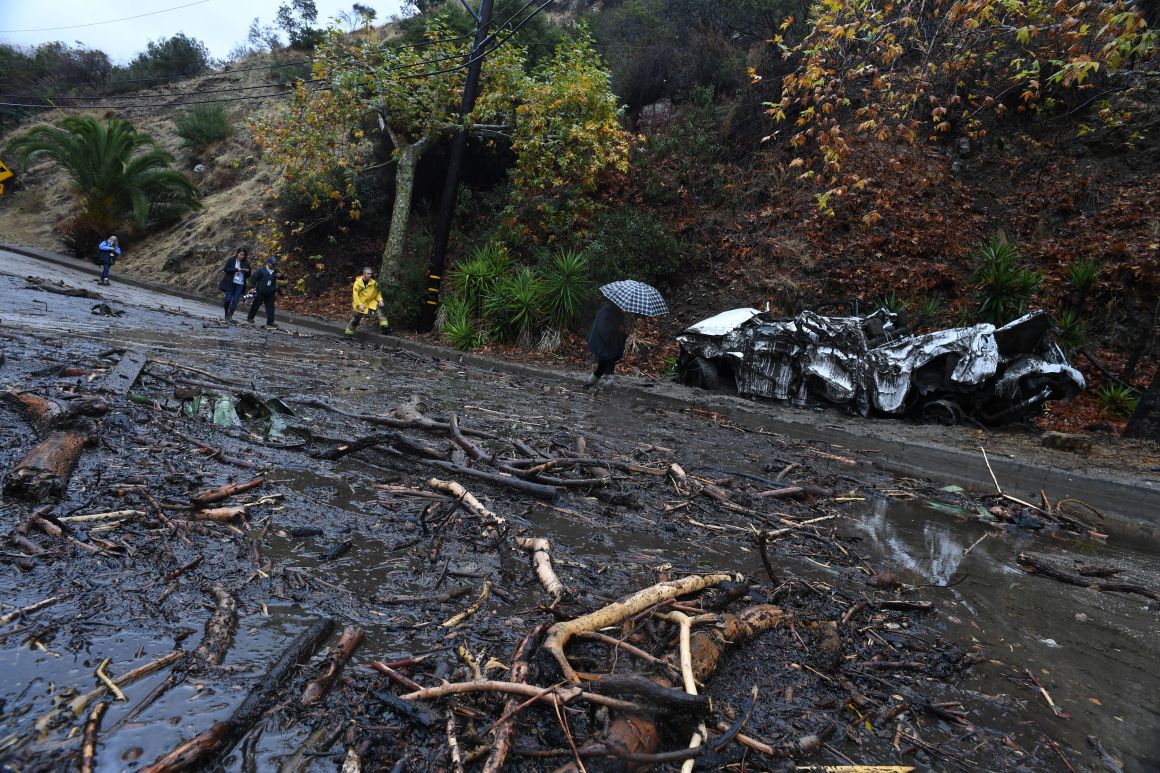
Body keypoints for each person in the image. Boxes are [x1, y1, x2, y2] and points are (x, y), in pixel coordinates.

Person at [585, 302, 629, 387]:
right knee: (608, 359)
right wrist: (617, 327)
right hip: (603, 341)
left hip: (610, 343)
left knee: (604, 363)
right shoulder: (606, 311)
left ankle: (590, 383)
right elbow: (603, 327)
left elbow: (618, 326)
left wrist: (621, 329)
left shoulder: (615, 311)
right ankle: (607, 382)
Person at [345, 267, 392, 336]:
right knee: (356, 319)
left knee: (381, 313)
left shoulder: (374, 283)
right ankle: (348, 334)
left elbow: (378, 292)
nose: (369, 275)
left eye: (370, 274)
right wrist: (359, 304)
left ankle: (385, 329)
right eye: (368, 274)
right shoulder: (357, 283)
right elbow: (355, 296)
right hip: (361, 303)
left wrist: (380, 300)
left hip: (372, 302)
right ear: (364, 274)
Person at [246, 256, 281, 328]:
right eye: (272, 264)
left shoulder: (276, 271)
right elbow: (254, 278)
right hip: (260, 291)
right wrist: (252, 287)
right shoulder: (261, 270)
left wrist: (281, 276)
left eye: (275, 264)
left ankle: (270, 321)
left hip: (271, 292)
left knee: (270, 307)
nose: (274, 265)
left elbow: (282, 277)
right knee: (256, 305)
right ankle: (250, 318)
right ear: (268, 263)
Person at [218, 247, 251, 321]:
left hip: (240, 284)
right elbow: (226, 269)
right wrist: (236, 269)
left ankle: (230, 316)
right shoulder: (231, 260)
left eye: (243, 255)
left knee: (235, 300)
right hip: (230, 283)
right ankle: (226, 314)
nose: (242, 256)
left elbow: (249, 275)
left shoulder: (246, 263)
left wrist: (246, 271)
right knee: (228, 299)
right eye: (241, 254)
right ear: (237, 253)